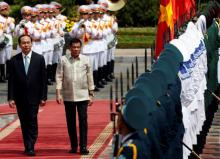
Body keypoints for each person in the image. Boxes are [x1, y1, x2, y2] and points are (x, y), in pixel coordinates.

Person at [8, 35, 47, 156]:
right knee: (24, 122)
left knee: (32, 121)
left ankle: (31, 146)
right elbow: (11, 80)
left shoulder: (39, 59)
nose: (26, 45)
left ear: (31, 43)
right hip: (20, 98)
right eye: (23, 43)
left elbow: (43, 80)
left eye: (28, 43)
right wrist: (11, 97)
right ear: (19, 45)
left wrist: (43, 97)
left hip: (34, 97)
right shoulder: (14, 60)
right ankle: (27, 145)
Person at [56, 38, 95, 155]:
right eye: (74, 47)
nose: (76, 49)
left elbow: (90, 77)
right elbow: (59, 76)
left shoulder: (86, 59)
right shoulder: (63, 59)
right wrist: (58, 93)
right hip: (68, 95)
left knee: (83, 121)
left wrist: (91, 94)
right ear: (70, 48)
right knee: (70, 122)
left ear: (80, 48)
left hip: (83, 95)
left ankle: (83, 146)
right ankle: (74, 146)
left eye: (78, 47)